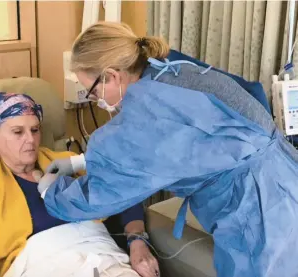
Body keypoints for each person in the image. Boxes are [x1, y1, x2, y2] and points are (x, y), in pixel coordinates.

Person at [39, 22, 298, 277]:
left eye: (93, 92)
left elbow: (101, 194)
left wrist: (51, 192)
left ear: (112, 75)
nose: (96, 101)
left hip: (261, 210)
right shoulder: (170, 67)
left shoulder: (146, 113)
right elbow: (240, 100)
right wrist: (81, 162)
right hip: (285, 171)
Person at [0, 92, 159, 277]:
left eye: (34, 130)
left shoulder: (67, 163)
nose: (30, 139)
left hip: (106, 261)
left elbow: (122, 193)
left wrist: (136, 239)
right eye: (17, 132)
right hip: (44, 266)